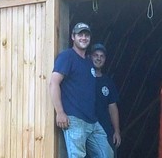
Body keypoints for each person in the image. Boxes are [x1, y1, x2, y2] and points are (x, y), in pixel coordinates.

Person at [49, 22, 113, 158]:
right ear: (73, 37)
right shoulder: (67, 56)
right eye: (80, 35)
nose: (83, 38)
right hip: (74, 119)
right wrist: (60, 112)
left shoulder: (89, 62)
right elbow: (54, 83)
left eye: (86, 35)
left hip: (92, 121)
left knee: (107, 154)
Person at [90, 43, 121, 157]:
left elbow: (112, 107)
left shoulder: (108, 82)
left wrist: (116, 131)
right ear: (90, 57)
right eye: (96, 55)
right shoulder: (84, 78)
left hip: (106, 130)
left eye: (102, 56)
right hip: (87, 129)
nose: (98, 58)